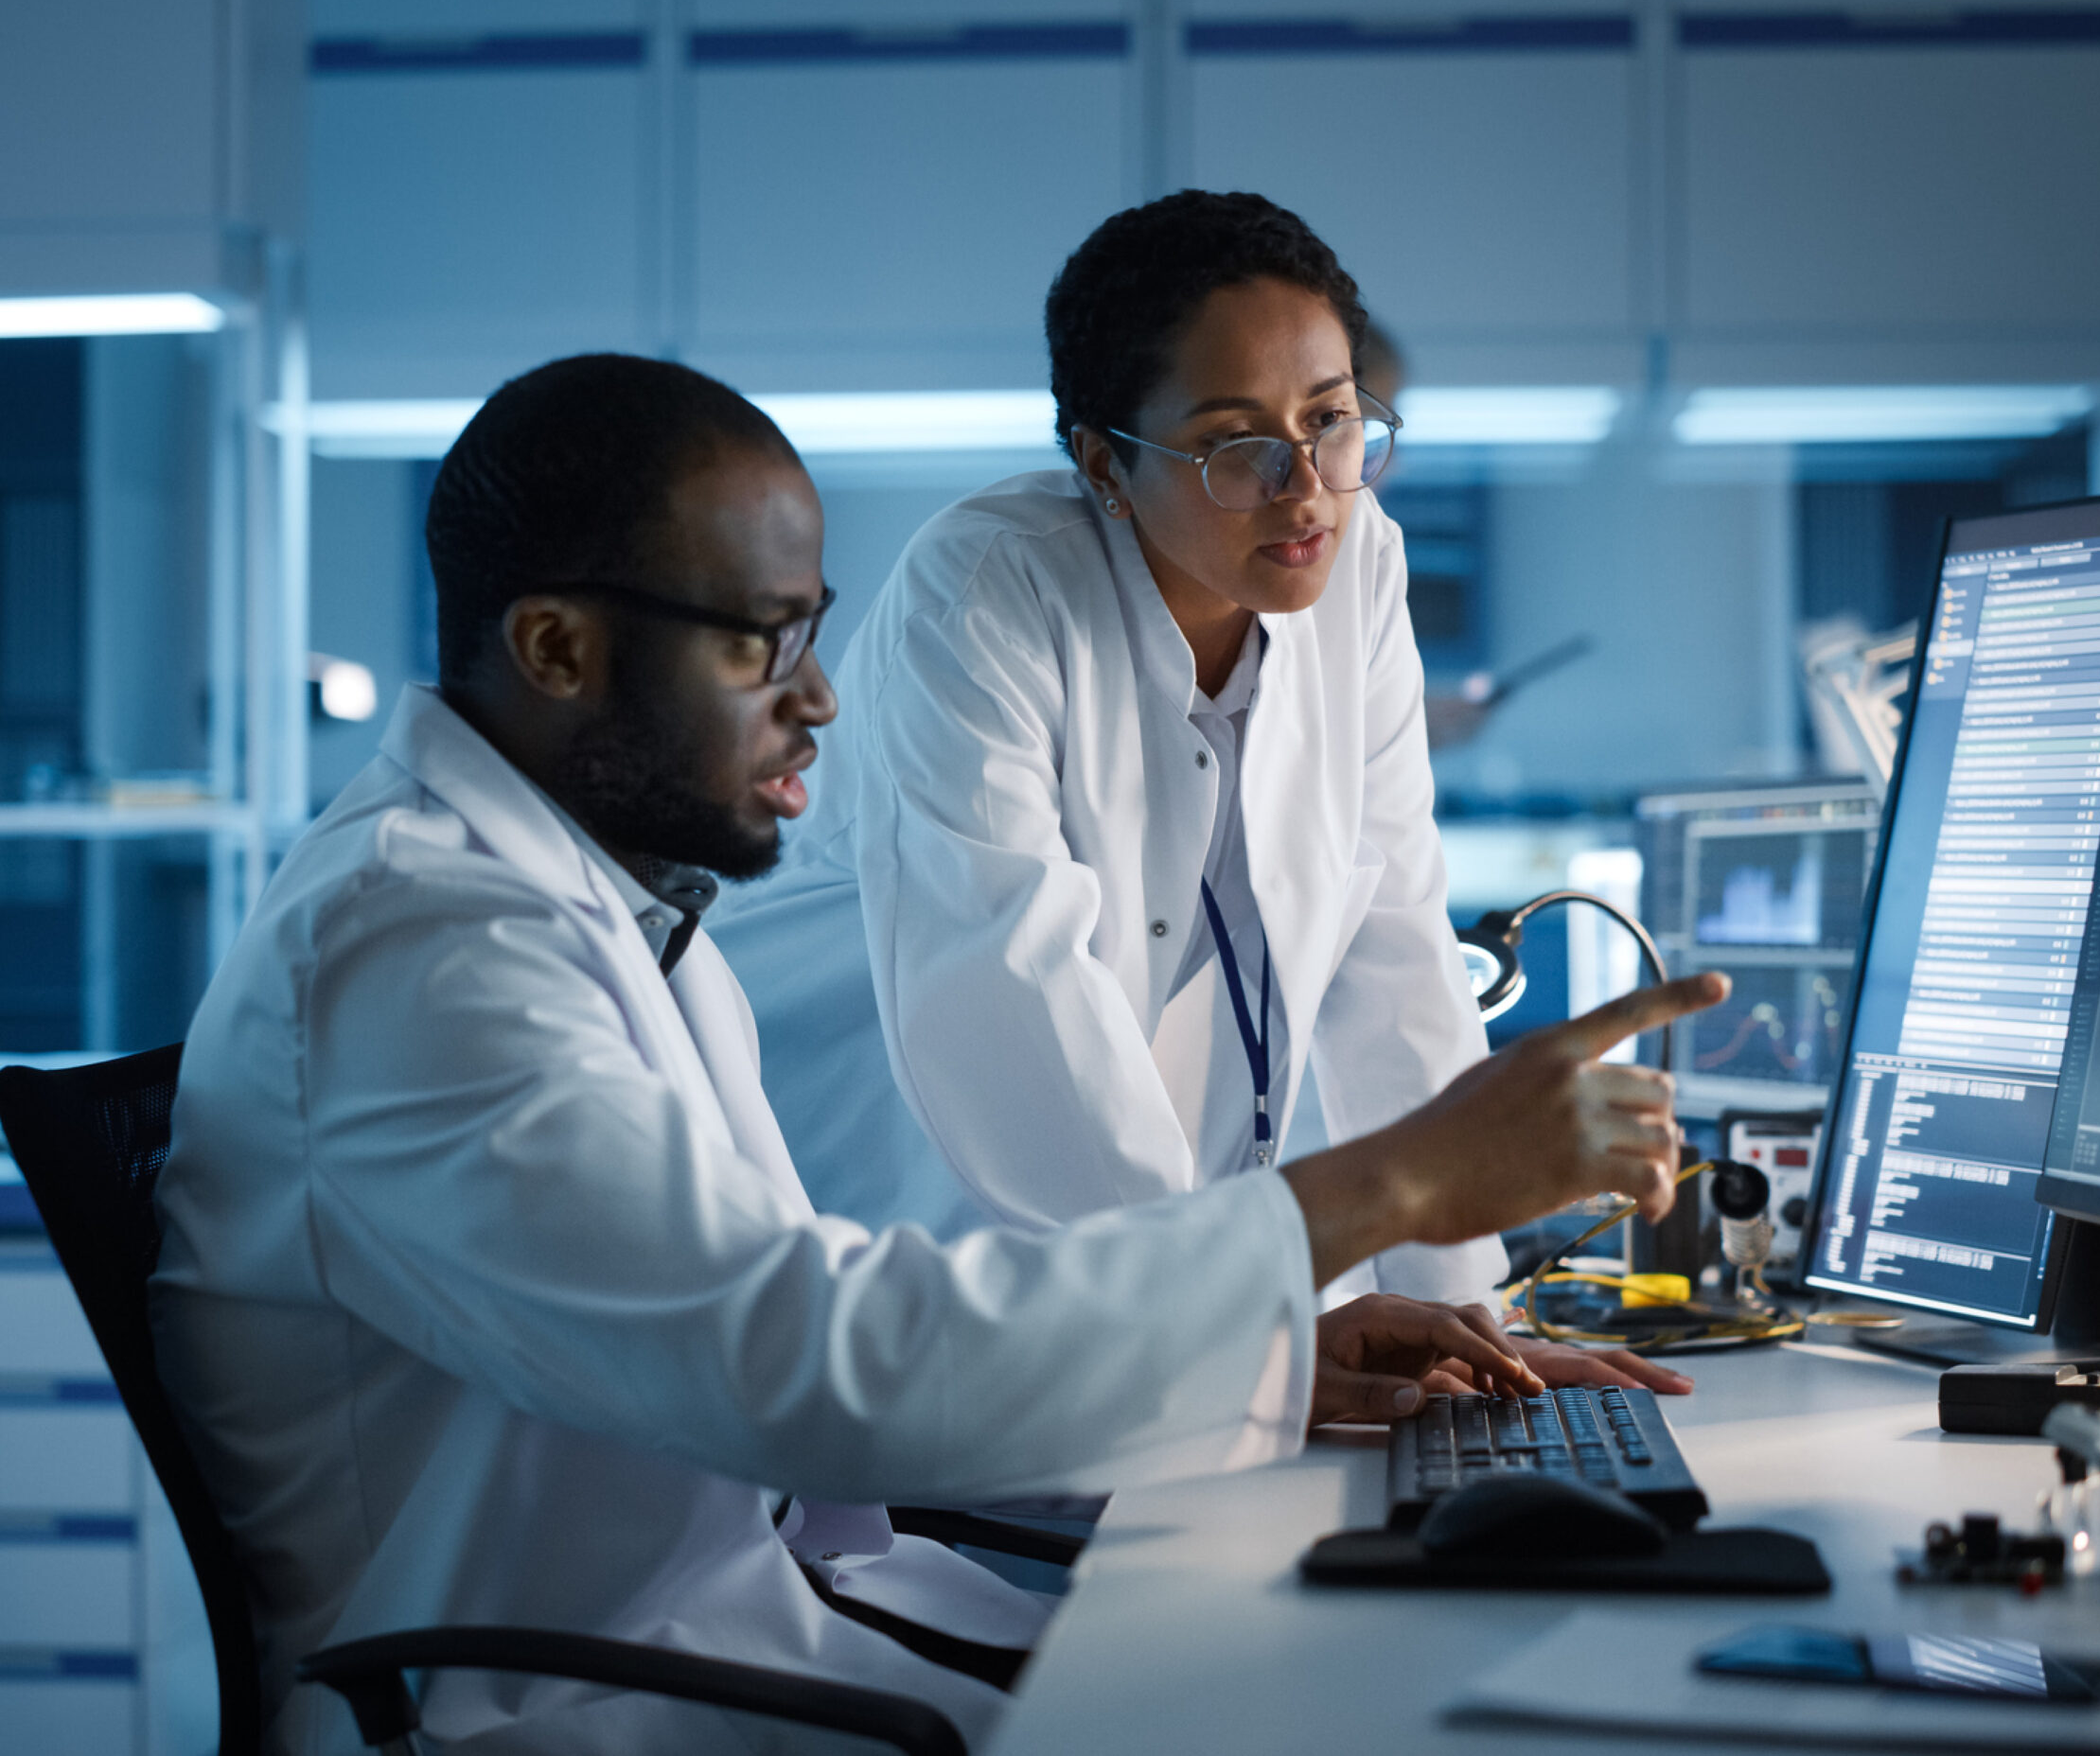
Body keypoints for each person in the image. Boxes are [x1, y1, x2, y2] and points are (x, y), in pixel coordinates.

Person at [150, 353, 1721, 1753]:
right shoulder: (424, 953)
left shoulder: (600, 915)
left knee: (1356, 1673)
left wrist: (1278, 1355)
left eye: (815, 632)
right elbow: (812, 1364)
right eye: (764, 642)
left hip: (767, 1631)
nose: (822, 699)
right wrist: (1400, 1177)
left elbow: (820, 1370)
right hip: (560, 1702)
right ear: (557, 648)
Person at [715, 194, 1687, 1393]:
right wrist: (1238, 1321)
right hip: (908, 1201)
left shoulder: (1358, 562)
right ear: (1103, 464)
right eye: (1237, 444)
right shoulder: (984, 596)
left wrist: (1476, 1325)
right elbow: (1014, 1011)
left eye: (1331, 421)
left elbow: (1391, 949)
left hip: (1149, 1258)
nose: (1306, 489)